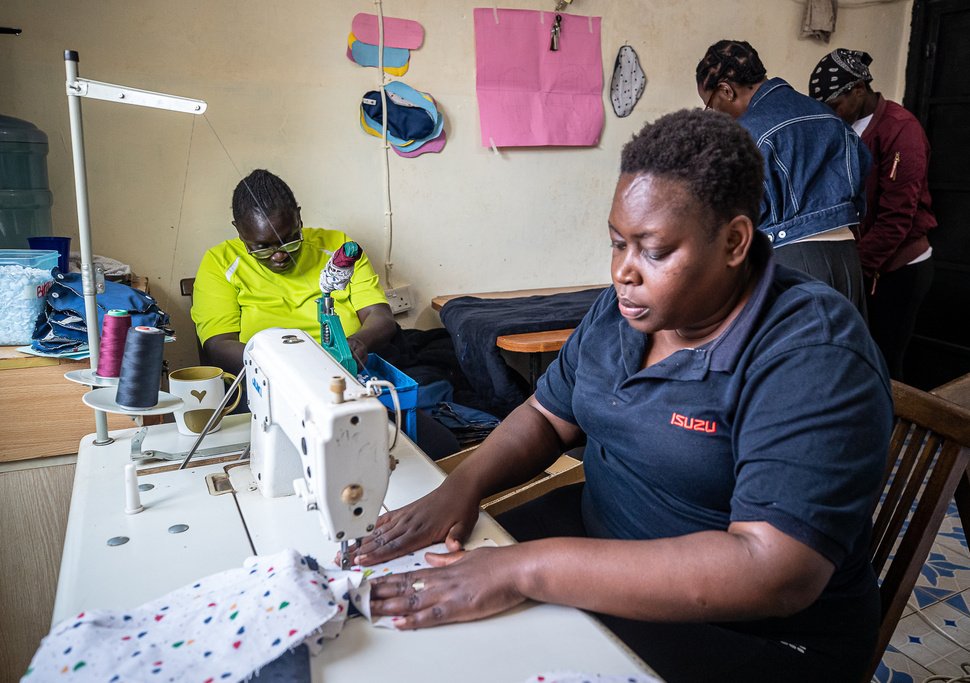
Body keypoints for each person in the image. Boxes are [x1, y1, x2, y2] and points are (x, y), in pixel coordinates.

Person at [353, 109, 892, 682]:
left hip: (753, 632)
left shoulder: (812, 354)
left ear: (734, 240)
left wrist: (523, 570)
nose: (622, 273)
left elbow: (772, 570)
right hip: (599, 540)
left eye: (653, 251)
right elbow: (545, 414)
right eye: (617, 244)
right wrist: (461, 487)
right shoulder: (624, 312)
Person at [191, 169, 459, 458]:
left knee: (438, 448)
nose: (279, 254)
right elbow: (218, 345)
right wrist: (295, 364)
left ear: (299, 217)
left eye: (290, 239)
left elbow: (380, 316)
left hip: (347, 376)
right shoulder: (219, 263)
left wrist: (358, 342)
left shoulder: (338, 248)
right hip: (271, 384)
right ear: (238, 230)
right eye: (262, 247)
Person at [695, 39, 873, 318]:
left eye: (710, 106)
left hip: (792, 264)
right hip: (848, 261)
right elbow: (862, 184)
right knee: (841, 356)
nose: (715, 116)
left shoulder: (747, 134)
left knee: (795, 358)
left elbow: (732, 222)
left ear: (726, 90)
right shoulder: (829, 116)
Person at [810, 49, 936, 382]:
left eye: (835, 106)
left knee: (884, 362)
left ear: (859, 90)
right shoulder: (843, 127)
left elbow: (897, 219)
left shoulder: (900, 130)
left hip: (898, 267)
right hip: (862, 263)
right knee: (857, 359)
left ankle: (891, 432)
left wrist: (855, 271)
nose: (832, 116)